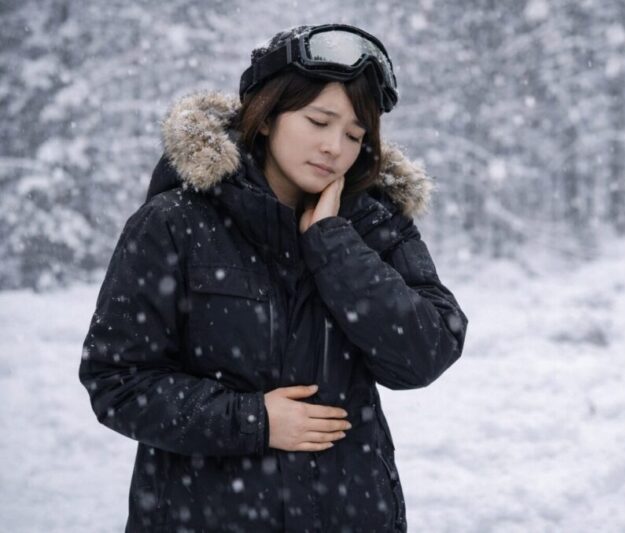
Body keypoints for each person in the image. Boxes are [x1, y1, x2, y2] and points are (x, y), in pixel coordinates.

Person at [79, 23, 468, 532]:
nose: (335, 147)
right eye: (318, 121)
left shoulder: (374, 224)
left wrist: (333, 244)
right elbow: (117, 381)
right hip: (206, 516)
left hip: (351, 515)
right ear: (266, 117)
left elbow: (425, 352)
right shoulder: (175, 223)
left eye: (354, 134)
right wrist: (254, 422)